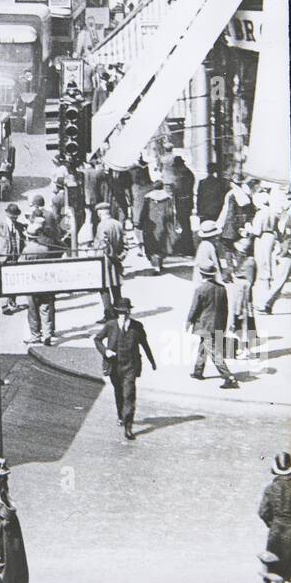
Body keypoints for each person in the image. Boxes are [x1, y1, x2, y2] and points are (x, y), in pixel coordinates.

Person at [93, 297, 157, 439]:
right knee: (118, 391)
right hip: (114, 366)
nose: (123, 315)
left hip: (130, 366)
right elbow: (97, 339)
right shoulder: (110, 325)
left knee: (129, 394)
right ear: (117, 312)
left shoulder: (137, 327)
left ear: (129, 311)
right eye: (120, 312)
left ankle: (128, 427)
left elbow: (145, 344)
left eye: (125, 312)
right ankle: (121, 415)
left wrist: (152, 361)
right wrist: (106, 351)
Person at [186, 228, 239, 388]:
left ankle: (228, 377)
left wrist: (188, 322)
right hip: (218, 323)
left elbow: (194, 309)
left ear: (201, 274)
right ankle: (198, 371)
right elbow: (226, 309)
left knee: (213, 351)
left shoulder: (201, 290)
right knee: (204, 345)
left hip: (205, 324)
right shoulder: (221, 288)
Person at [258, 451, 291, 583]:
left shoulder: (270, 488)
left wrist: (272, 523)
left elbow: (263, 512)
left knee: (273, 566)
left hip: (276, 532)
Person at [22, 215, 57, 347]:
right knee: (45, 308)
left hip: (31, 284)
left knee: (32, 311)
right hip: (45, 283)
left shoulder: (27, 250)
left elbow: (20, 265)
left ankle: (35, 335)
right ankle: (47, 334)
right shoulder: (45, 248)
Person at [227, 232, 259, 358]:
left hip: (244, 298)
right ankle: (242, 347)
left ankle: (246, 349)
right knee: (239, 322)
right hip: (239, 294)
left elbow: (250, 282)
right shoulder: (243, 262)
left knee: (245, 322)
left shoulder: (250, 262)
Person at [261, 195, 291, 313]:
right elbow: (284, 235)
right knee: (281, 278)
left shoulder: (289, 216)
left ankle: (267, 303)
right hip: (289, 251)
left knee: (281, 278)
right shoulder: (287, 215)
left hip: (289, 250)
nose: (289, 202)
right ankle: (266, 303)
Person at [138, 178, 178, 274]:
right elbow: (171, 213)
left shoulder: (148, 198)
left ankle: (156, 267)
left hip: (151, 224)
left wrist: (140, 222)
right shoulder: (167, 198)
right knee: (162, 244)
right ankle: (160, 264)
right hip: (163, 224)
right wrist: (173, 223)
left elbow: (144, 211)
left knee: (152, 245)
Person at [94, 202, 127, 317]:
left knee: (103, 286)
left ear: (100, 213)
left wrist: (111, 255)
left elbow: (104, 244)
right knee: (116, 285)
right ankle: (119, 309)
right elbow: (125, 243)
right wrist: (120, 256)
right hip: (116, 260)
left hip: (105, 260)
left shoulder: (102, 225)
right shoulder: (118, 224)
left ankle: (109, 314)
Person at [0, 202, 26, 315]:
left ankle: (12, 302)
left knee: (14, 281)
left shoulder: (18, 226)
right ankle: (4, 305)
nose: (14, 218)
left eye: (16, 216)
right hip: (4, 258)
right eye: (13, 216)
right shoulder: (0, 226)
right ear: (8, 215)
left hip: (15, 257)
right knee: (4, 281)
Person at [167, 154, 197, 255]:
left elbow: (179, 190)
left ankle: (187, 249)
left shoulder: (182, 176)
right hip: (185, 202)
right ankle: (187, 247)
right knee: (185, 225)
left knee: (185, 226)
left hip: (183, 203)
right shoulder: (187, 173)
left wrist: (173, 189)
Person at [82, 155, 108, 238]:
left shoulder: (83, 172)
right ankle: (96, 235)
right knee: (95, 218)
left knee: (90, 218)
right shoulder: (96, 173)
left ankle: (92, 236)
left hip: (86, 199)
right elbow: (104, 175)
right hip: (95, 198)